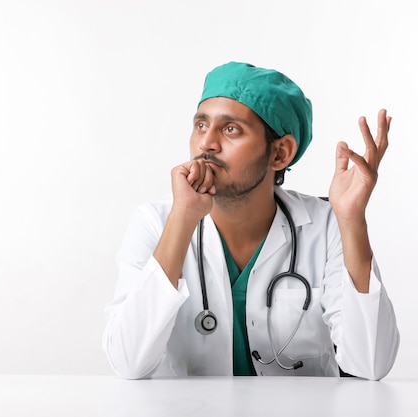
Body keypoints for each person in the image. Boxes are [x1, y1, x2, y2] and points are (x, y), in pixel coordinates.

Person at [102, 61, 400, 380]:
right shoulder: (155, 222)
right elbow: (128, 362)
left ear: (280, 154)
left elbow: (371, 364)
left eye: (231, 129)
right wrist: (182, 218)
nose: (206, 143)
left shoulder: (328, 224)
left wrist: (352, 220)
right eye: (201, 125)